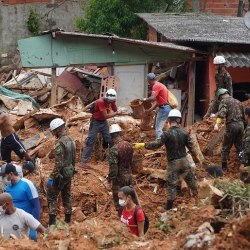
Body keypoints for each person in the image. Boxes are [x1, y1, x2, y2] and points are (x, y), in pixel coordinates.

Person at [134, 109, 200, 210]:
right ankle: (199, 200)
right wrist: (197, 158)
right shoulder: (184, 133)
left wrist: (143, 144)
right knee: (191, 181)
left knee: (171, 185)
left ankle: (169, 207)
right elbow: (192, 147)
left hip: (173, 163)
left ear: (169, 120)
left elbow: (156, 145)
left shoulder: (166, 134)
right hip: (183, 161)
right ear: (179, 120)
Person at [47, 118, 76, 225]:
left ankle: (52, 223)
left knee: (51, 196)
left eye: (53, 131)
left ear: (57, 130)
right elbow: (74, 159)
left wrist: (51, 177)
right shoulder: (71, 140)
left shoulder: (60, 144)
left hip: (61, 175)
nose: (53, 133)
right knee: (66, 196)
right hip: (69, 173)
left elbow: (58, 164)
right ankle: (68, 221)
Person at [0, 163, 40, 240]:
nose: (2, 178)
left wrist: (34, 226)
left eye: (4, 176)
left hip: (25, 222)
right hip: (13, 222)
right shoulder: (7, 187)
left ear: (11, 174)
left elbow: (36, 205)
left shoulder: (27, 184)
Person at [80, 89, 118, 168]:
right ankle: (83, 161)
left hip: (103, 122)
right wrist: (116, 113)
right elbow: (106, 115)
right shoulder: (100, 102)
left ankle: (113, 158)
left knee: (109, 139)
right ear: (106, 98)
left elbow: (115, 109)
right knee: (91, 140)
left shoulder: (112, 101)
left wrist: (115, 107)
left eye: (112, 101)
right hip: (96, 122)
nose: (110, 103)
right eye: (110, 101)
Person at [214, 88, 244, 171]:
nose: (220, 100)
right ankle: (243, 164)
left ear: (221, 96)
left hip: (232, 125)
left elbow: (222, 114)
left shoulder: (224, 101)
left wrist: (217, 124)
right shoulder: (238, 101)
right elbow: (244, 116)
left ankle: (224, 168)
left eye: (220, 98)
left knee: (225, 147)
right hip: (241, 125)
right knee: (240, 146)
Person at [107, 124, 133, 215]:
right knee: (129, 196)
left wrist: (110, 178)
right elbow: (131, 162)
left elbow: (113, 168)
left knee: (119, 198)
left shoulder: (114, 149)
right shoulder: (129, 145)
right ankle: (131, 214)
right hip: (129, 175)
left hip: (119, 178)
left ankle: (121, 216)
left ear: (112, 135)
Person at [142, 73, 171, 139]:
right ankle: (163, 140)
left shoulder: (156, 86)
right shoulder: (159, 85)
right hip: (165, 107)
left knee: (158, 128)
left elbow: (153, 98)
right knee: (159, 127)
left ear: (149, 80)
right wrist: (150, 109)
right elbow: (158, 102)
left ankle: (159, 143)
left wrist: (145, 99)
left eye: (147, 80)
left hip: (164, 108)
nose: (147, 81)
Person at [239, 107, 250, 183]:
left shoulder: (249, 129)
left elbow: (247, 147)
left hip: (248, 160)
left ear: (247, 115)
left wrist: (243, 162)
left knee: (245, 180)